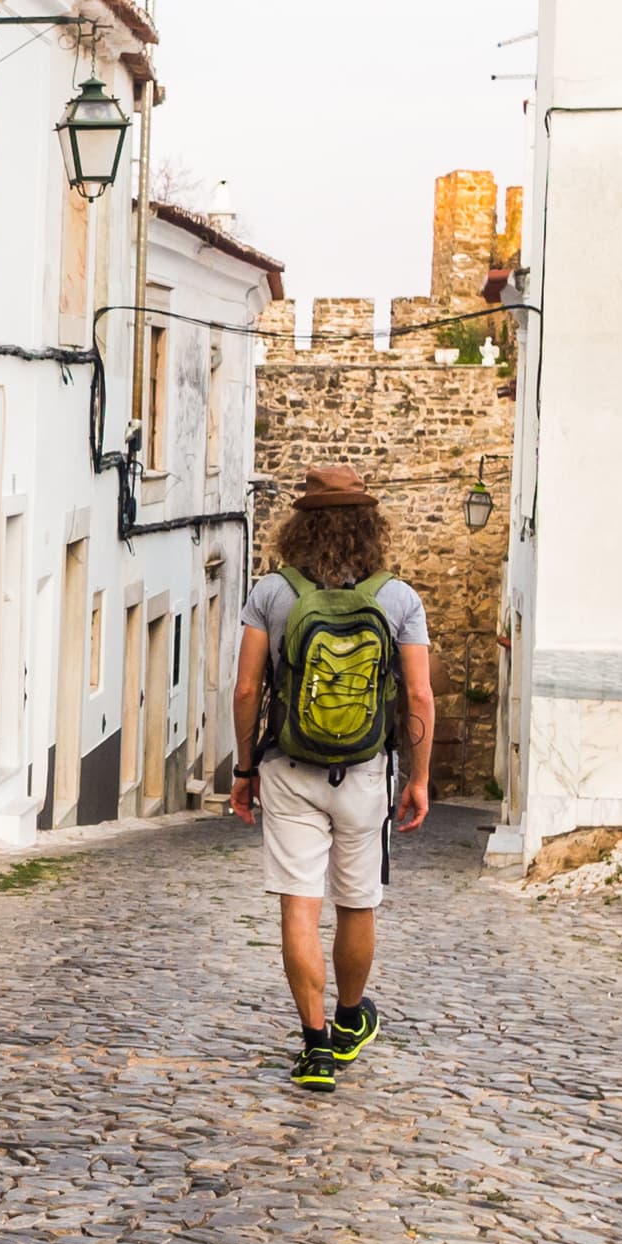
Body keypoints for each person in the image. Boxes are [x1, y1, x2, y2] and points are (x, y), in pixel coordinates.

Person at [228, 466, 433, 1092]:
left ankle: (315, 1047)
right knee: (357, 900)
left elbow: (245, 689)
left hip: (289, 767)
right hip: (366, 770)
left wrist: (243, 768)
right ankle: (349, 1019)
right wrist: (418, 779)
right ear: (370, 528)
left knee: (300, 905)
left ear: (299, 526)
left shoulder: (273, 593)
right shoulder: (397, 598)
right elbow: (420, 696)